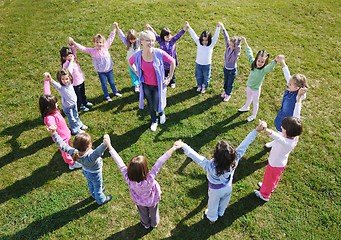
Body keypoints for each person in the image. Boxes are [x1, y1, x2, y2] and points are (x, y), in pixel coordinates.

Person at [173, 122, 266, 223]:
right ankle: (221, 212)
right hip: (228, 187)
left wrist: (184, 145)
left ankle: (212, 218)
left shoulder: (210, 166)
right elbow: (245, 143)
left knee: (212, 205)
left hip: (215, 191)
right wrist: (256, 130)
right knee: (224, 201)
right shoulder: (235, 160)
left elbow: (196, 157)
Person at [104, 134, 181, 229]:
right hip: (152, 201)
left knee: (143, 213)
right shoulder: (150, 178)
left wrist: (109, 146)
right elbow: (160, 162)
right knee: (154, 212)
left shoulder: (128, 178)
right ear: (145, 169)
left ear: (129, 170)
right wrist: (173, 148)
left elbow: (119, 163)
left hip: (139, 201)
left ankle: (146, 224)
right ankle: (154, 223)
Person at [254, 88, 305, 202]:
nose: (281, 128)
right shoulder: (294, 136)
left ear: (286, 131)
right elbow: (297, 115)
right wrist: (298, 99)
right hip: (279, 163)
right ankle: (271, 186)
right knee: (273, 179)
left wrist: (266, 129)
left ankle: (265, 194)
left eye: (282, 127)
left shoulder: (286, 142)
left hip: (274, 164)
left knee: (269, 178)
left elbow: (276, 136)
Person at [48, 125, 112, 206]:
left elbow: (62, 144)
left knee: (90, 184)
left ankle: (93, 194)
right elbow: (102, 148)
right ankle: (101, 199)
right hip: (95, 174)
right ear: (89, 145)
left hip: (86, 172)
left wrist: (54, 133)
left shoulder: (73, 152)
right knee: (98, 187)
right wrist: (106, 141)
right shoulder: (91, 156)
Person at [128, 30, 176, 132]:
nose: (151, 43)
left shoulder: (158, 53)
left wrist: (169, 78)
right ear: (141, 41)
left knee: (158, 102)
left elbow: (172, 61)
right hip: (146, 85)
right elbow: (130, 62)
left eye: (152, 40)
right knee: (150, 104)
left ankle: (162, 113)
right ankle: (154, 121)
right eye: (148, 40)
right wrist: (137, 72)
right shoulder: (138, 55)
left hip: (158, 85)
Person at [69, 23, 122, 102]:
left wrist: (114, 29)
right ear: (94, 43)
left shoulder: (106, 47)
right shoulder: (92, 51)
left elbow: (111, 38)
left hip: (109, 70)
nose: (99, 44)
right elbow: (83, 48)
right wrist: (74, 43)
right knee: (104, 85)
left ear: (103, 43)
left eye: (100, 42)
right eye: (97, 42)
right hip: (101, 72)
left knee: (112, 82)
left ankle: (115, 92)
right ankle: (107, 96)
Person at [265, 55, 308, 148]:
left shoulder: (298, 95)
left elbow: (302, 96)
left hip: (288, 120)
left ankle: (276, 144)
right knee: (279, 130)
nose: (287, 84)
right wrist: (282, 62)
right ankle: (275, 141)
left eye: (290, 84)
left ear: (297, 88)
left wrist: (302, 93)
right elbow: (287, 75)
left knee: (283, 133)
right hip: (282, 114)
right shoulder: (290, 88)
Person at [238, 36, 279, 122]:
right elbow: (249, 54)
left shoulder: (263, 70)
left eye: (262, 62)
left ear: (265, 62)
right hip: (249, 86)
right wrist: (245, 42)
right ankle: (246, 107)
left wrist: (275, 60)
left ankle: (253, 115)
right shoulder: (253, 63)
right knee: (248, 97)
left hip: (256, 89)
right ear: (256, 59)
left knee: (255, 102)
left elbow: (270, 67)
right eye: (259, 60)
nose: (260, 63)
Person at [39, 94, 82, 170]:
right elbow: (51, 123)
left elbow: (47, 91)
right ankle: (71, 164)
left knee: (67, 146)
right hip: (62, 139)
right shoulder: (50, 117)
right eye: (55, 104)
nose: (57, 104)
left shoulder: (54, 111)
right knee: (65, 152)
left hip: (65, 135)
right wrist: (52, 127)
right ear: (49, 107)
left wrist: (47, 82)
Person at [146, 22, 188, 88]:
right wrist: (150, 28)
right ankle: (165, 79)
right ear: (163, 37)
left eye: (169, 36)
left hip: (171, 60)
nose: (169, 37)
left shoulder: (172, 40)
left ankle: (172, 81)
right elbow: (155, 35)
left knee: (172, 72)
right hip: (164, 61)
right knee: (165, 71)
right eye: (167, 36)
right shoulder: (161, 41)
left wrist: (185, 29)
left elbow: (178, 35)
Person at [186, 21, 221, 94]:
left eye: (206, 40)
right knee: (198, 76)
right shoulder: (199, 43)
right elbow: (193, 35)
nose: (204, 42)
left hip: (207, 64)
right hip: (198, 63)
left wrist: (218, 27)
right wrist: (189, 27)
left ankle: (204, 86)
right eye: (203, 40)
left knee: (206, 76)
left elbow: (216, 36)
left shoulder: (211, 44)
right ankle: (199, 85)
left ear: (209, 40)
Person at [60, 41, 93, 112]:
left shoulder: (74, 59)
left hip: (80, 80)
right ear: (64, 58)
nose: (71, 56)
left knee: (82, 93)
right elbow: (69, 72)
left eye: (71, 54)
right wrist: (71, 61)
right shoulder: (65, 65)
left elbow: (74, 51)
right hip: (75, 83)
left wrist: (71, 45)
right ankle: (80, 106)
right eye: (68, 55)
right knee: (78, 96)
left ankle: (85, 102)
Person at [115, 23, 141, 93]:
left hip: (138, 60)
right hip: (131, 62)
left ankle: (141, 82)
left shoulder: (138, 42)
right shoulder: (127, 42)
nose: (132, 41)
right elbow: (121, 36)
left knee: (140, 71)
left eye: (134, 39)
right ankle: (136, 85)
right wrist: (117, 28)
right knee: (133, 73)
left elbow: (144, 37)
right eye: (131, 39)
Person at [220, 23, 241, 102]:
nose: (231, 47)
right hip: (226, 68)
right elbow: (226, 37)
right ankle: (225, 91)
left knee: (230, 83)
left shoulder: (235, 52)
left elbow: (238, 47)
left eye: (233, 46)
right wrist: (223, 27)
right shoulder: (228, 47)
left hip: (232, 70)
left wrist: (239, 41)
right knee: (225, 81)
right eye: (230, 45)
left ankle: (228, 94)